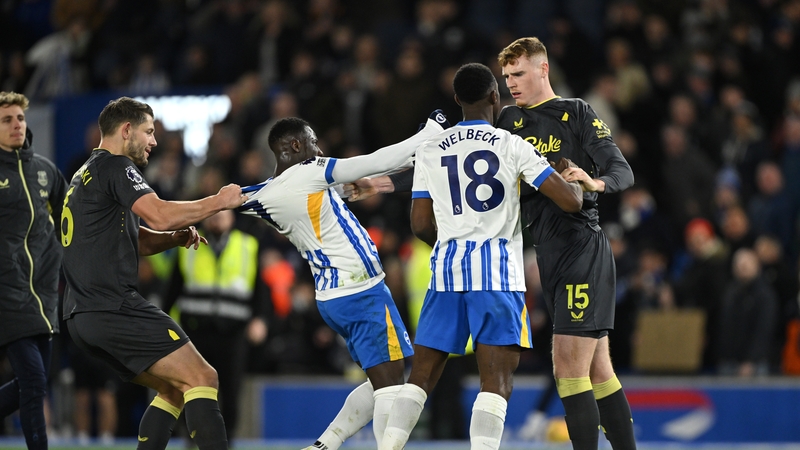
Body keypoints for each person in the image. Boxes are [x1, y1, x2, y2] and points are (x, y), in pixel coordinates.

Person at [346, 37, 637, 450]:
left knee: (569, 367)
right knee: (600, 370)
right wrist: (380, 183)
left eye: (519, 73)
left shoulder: (576, 113)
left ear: (543, 69)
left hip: (578, 249)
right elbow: (454, 167)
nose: (513, 83)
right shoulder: (508, 125)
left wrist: (595, 182)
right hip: (540, 255)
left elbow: (621, 170)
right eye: (506, 76)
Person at [379, 62, 583, 450]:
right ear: (495, 97)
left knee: (420, 377)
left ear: (457, 100)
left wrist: (454, 240)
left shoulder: (430, 150)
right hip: (498, 276)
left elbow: (420, 224)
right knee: (497, 382)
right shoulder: (512, 145)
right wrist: (569, 173)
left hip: (447, 273)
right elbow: (570, 202)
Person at [237, 113, 450, 450]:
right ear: (295, 145)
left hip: (334, 297)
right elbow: (376, 160)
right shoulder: (312, 171)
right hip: (361, 290)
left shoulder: (268, 192)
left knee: (380, 377)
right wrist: (431, 132)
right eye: (312, 140)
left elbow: (234, 201)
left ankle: (325, 445)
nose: (319, 147)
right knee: (391, 386)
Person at [61, 96, 246, 450]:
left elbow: (134, 240)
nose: (154, 141)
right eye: (148, 131)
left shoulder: (83, 175)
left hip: (81, 316)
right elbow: (158, 213)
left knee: (173, 388)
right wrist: (218, 201)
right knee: (203, 376)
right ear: (126, 130)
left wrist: (172, 239)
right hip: (114, 306)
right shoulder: (116, 167)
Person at [162, 209, 270, 443]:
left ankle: (226, 441)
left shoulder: (247, 245)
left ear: (232, 217)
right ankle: (192, 441)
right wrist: (163, 326)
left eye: (223, 214)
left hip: (233, 333)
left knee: (230, 392)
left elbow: (261, 289)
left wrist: (260, 319)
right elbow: (172, 288)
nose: (217, 218)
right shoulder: (190, 244)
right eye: (213, 214)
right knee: (192, 390)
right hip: (195, 332)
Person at [0, 91, 67, 450]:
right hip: (7, 294)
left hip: (43, 293)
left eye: (20, 119)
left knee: (32, 383)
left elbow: (70, 219)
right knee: (36, 383)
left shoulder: (45, 170)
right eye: (6, 120)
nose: (16, 125)